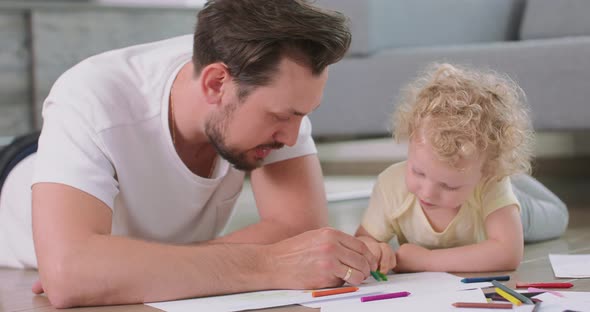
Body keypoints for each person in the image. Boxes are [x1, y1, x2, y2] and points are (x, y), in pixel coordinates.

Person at [0, 0, 379, 308]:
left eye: (302, 116)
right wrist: (270, 263)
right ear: (216, 83)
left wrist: (133, 268)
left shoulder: (276, 89)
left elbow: (299, 230)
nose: (294, 135)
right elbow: (70, 274)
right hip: (19, 169)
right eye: (281, 116)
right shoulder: (90, 97)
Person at [356, 63, 569, 274]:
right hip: (484, 182)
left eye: (449, 186)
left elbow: (508, 253)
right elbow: (363, 240)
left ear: (486, 173)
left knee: (559, 216)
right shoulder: (390, 186)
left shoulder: (490, 182)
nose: (428, 192)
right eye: (418, 172)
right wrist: (374, 250)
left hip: (514, 211)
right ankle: (510, 179)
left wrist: (427, 260)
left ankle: (512, 179)